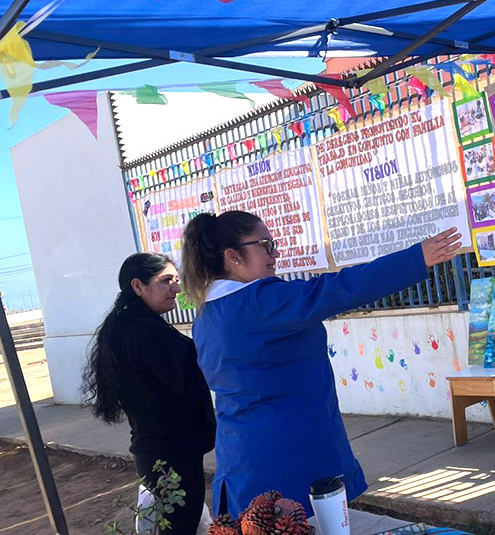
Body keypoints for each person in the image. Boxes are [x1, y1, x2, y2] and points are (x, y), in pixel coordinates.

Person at [181, 211, 461, 517]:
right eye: (266, 245)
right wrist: (415, 259)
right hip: (289, 454)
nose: (275, 253)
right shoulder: (260, 301)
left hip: (241, 457)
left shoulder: (207, 315)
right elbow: (337, 289)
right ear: (233, 256)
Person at [83, 253, 215, 535]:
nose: (176, 289)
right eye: (166, 281)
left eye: (176, 280)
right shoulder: (145, 331)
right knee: (181, 525)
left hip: (158, 450)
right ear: (138, 286)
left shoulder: (126, 326)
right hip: (172, 454)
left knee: (181, 522)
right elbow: (186, 382)